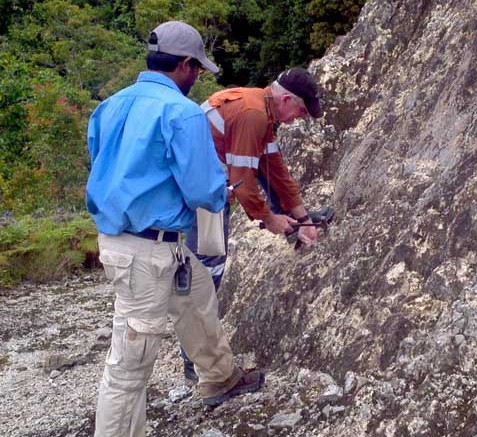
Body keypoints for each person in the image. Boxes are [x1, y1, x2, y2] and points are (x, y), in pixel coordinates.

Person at [85, 20, 264, 437]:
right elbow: (202, 191)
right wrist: (225, 191)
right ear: (184, 65)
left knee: (197, 295)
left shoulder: (109, 105)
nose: (198, 76)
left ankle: (220, 376)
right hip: (147, 250)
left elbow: (106, 166)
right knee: (130, 364)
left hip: (123, 238)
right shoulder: (182, 112)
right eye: (197, 68)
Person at [177, 67, 333, 382]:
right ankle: (197, 362)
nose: (299, 118)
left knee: (208, 269)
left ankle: (200, 358)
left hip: (208, 183)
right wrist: (270, 219)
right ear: (286, 99)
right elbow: (243, 183)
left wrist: (302, 218)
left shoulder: (263, 111)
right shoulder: (253, 115)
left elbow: (274, 170)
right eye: (301, 110)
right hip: (204, 193)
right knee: (209, 270)